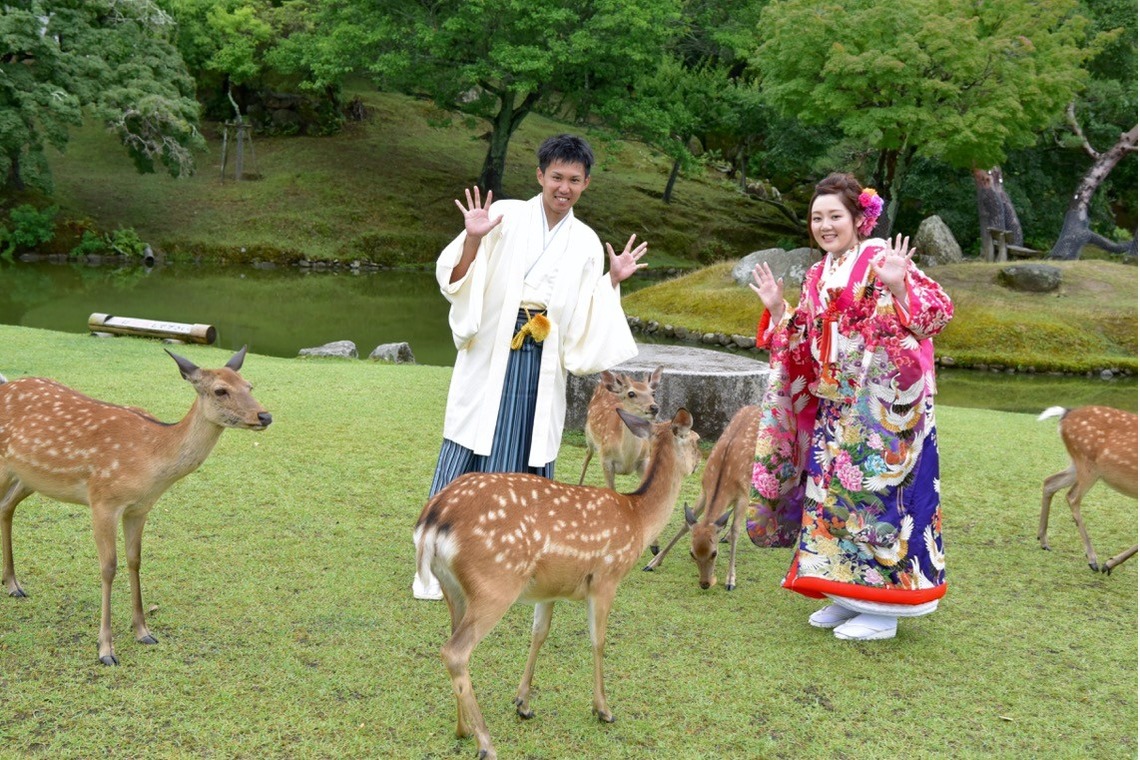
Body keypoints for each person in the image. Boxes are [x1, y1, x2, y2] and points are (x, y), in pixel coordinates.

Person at [413, 133, 649, 599]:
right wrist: (473, 238)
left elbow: (585, 312)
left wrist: (611, 282)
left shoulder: (585, 242)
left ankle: (503, 563)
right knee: (469, 445)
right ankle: (432, 564)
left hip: (541, 365)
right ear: (540, 175)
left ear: (586, 184)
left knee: (525, 450)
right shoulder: (504, 216)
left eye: (574, 180)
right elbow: (456, 279)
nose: (564, 187)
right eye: (557, 176)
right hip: (491, 353)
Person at [745, 172, 953, 640]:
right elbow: (805, 336)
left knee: (879, 500)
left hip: (886, 409)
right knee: (832, 499)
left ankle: (883, 609)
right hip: (836, 403)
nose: (824, 226)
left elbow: (937, 313)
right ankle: (845, 595)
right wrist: (778, 310)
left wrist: (899, 288)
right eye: (816, 217)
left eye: (834, 216)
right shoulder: (819, 273)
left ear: (860, 218)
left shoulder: (881, 257)